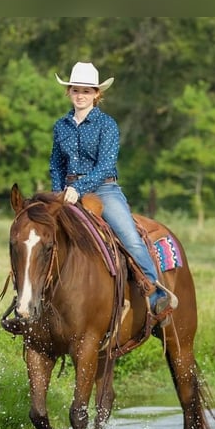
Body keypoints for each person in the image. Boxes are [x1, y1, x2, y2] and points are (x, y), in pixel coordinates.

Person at [49, 61, 175, 321]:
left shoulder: (107, 125)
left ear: (97, 94)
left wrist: (77, 187)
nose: (80, 95)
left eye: (87, 91)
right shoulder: (61, 126)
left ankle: (155, 293)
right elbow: (55, 164)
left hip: (104, 189)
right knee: (40, 236)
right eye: (76, 90)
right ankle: (37, 298)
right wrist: (58, 192)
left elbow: (105, 165)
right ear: (69, 93)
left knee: (128, 236)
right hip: (68, 191)